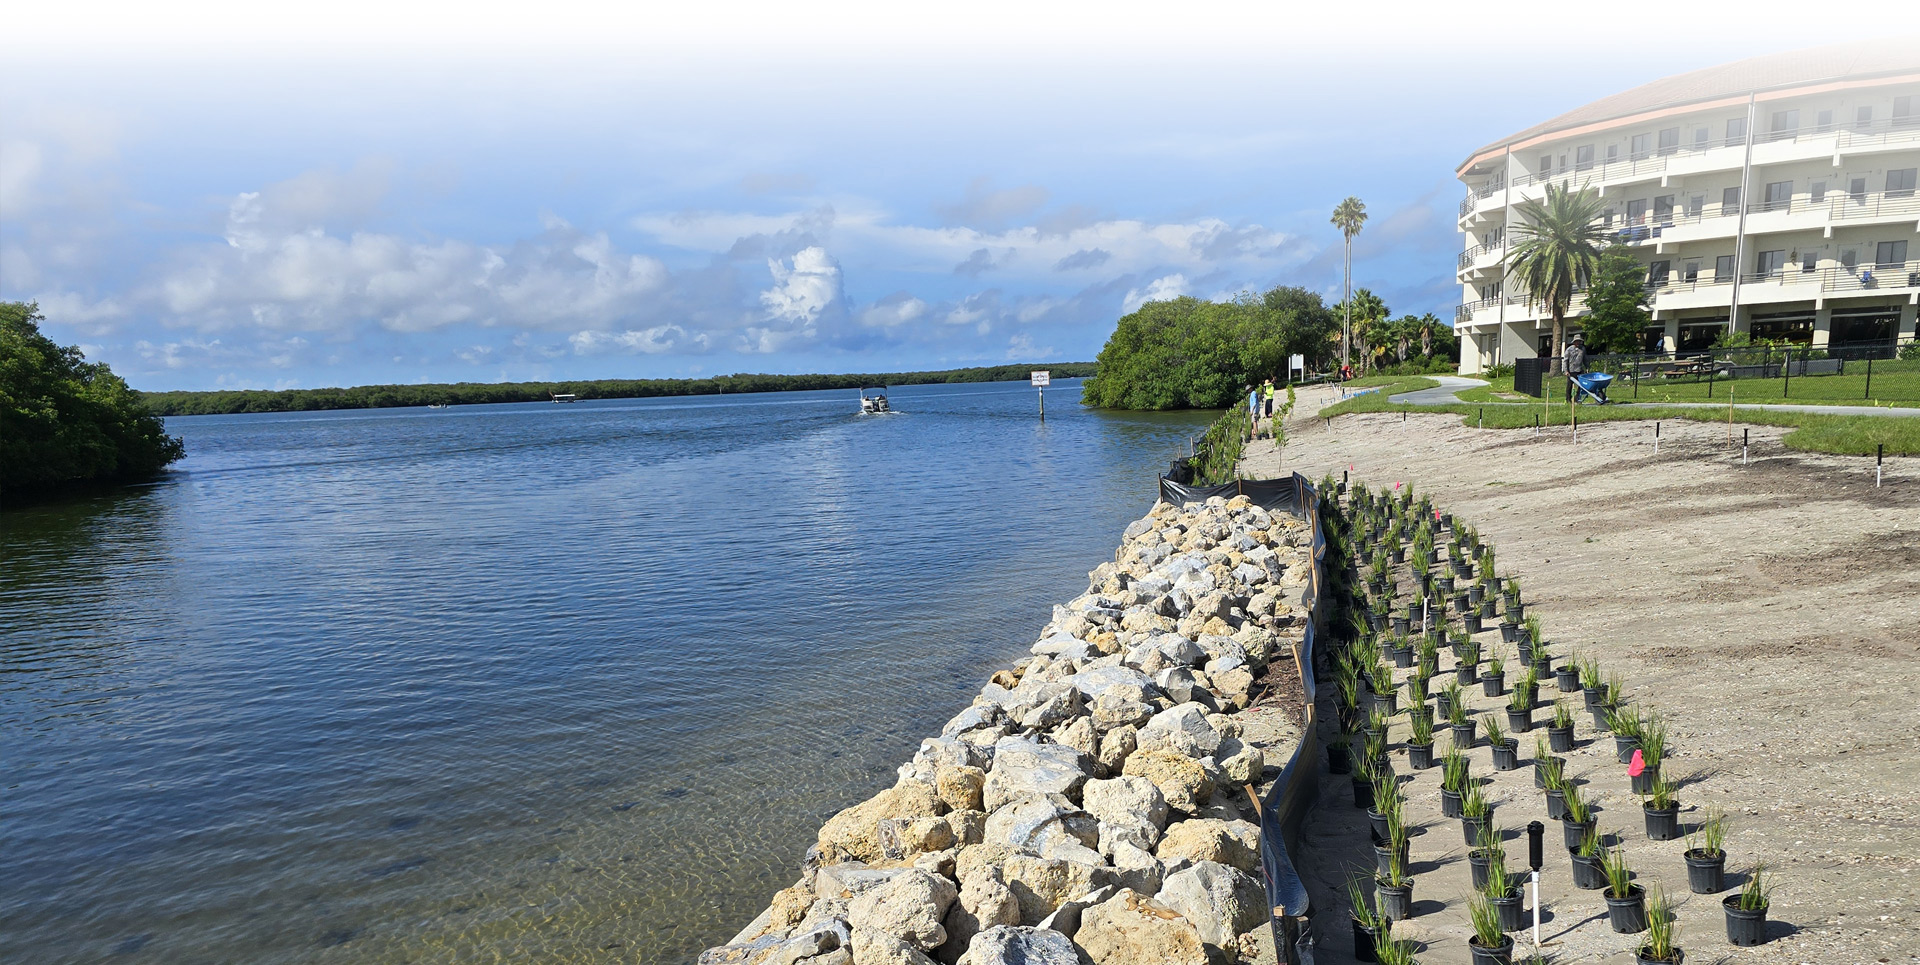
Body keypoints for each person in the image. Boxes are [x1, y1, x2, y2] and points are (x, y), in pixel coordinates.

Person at [1564, 333, 1587, 403]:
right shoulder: (1569, 349)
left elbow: (1585, 359)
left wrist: (1587, 367)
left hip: (1579, 370)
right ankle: (1568, 399)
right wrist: (1566, 371)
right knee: (1569, 386)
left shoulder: (1583, 349)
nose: (1578, 343)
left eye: (1579, 341)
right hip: (1571, 370)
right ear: (1574, 342)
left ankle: (1577, 398)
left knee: (1581, 385)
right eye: (1576, 341)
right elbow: (1565, 360)